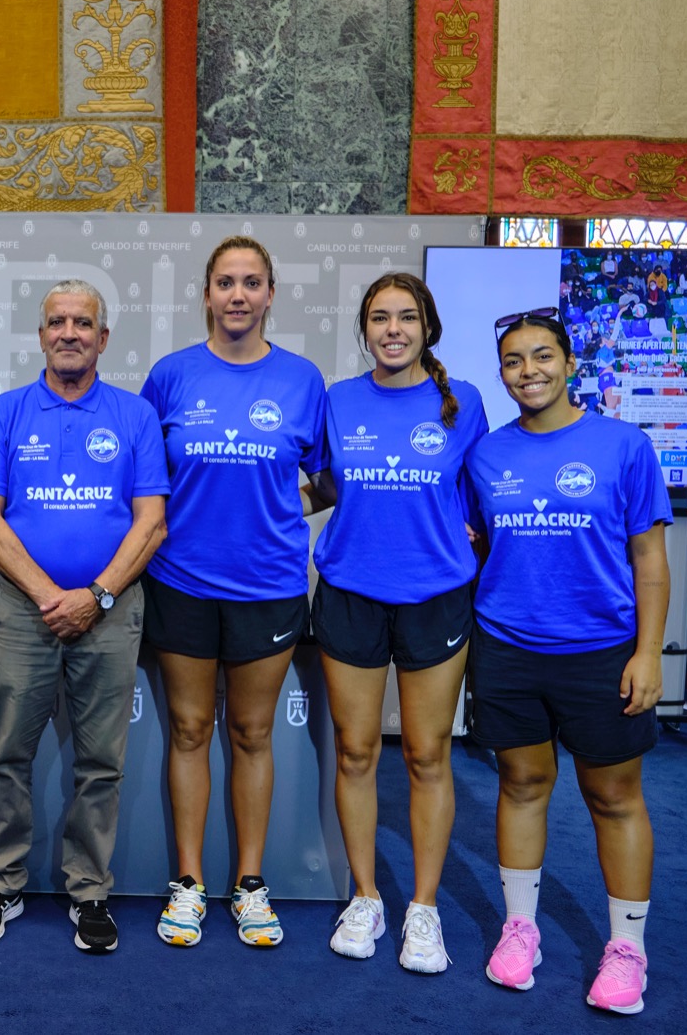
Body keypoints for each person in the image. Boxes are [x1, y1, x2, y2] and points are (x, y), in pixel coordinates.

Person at [466, 311, 669, 1015]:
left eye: (543, 356)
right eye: (515, 361)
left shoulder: (624, 446)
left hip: (603, 653)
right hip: (509, 648)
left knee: (613, 798)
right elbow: (478, 544)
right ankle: (519, 929)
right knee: (522, 784)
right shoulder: (487, 455)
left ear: (570, 363)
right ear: (502, 373)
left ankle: (627, 949)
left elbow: (649, 558)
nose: (529, 371)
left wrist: (647, 652)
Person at [0, 279, 168, 954]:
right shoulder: (7, 412)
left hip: (110, 612)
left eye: (84, 322)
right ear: (42, 333)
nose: (70, 332)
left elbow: (151, 524)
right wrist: (51, 594)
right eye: (58, 321)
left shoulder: (134, 416)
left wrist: (97, 595)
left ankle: (90, 894)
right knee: (7, 757)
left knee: (100, 762)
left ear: (103, 338)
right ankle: (0, 885)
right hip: (25, 611)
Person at [138, 234, 328, 949]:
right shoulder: (172, 376)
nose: (239, 295)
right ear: (207, 294)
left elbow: (329, 477)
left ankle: (249, 886)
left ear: (272, 294)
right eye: (226, 283)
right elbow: (146, 477)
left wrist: (276, 512)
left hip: (269, 585)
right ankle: (187, 885)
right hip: (181, 582)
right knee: (190, 731)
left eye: (252, 282)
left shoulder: (303, 380)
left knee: (252, 734)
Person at [308, 273, 487, 970]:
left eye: (406, 317)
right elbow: (323, 485)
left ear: (428, 328)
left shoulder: (462, 403)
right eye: (379, 318)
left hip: (436, 594)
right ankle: (366, 897)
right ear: (365, 330)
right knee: (355, 752)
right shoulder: (338, 401)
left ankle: (423, 910)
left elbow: (482, 488)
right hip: (351, 590)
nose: (392, 330)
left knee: (425, 754)